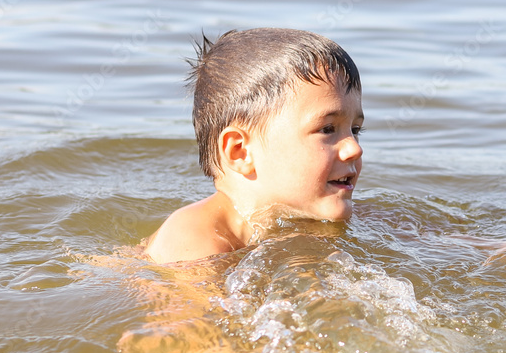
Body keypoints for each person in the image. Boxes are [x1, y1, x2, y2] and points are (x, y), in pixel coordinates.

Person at [143, 28, 365, 264]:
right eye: (327, 129)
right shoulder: (193, 242)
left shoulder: (307, 214)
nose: (354, 148)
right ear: (240, 152)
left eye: (355, 130)